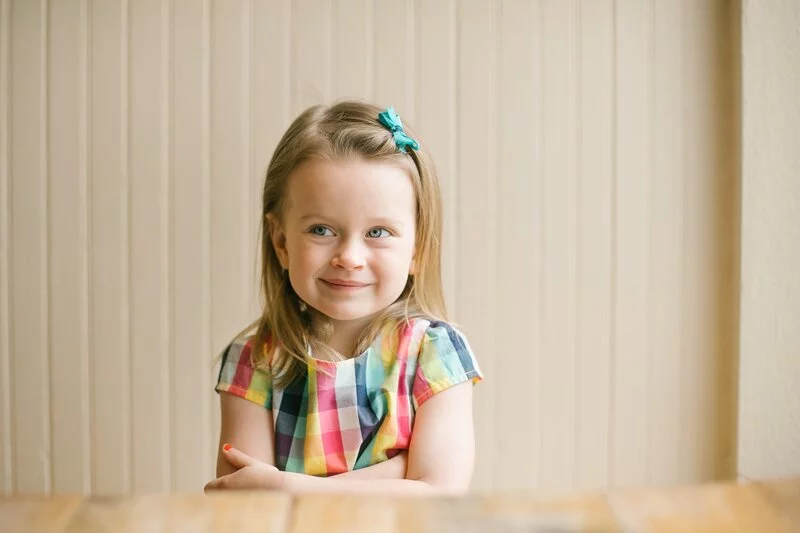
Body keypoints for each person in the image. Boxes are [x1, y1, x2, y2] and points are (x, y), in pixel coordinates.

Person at [203, 101, 483, 495]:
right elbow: (248, 499)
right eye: (321, 229)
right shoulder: (256, 360)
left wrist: (290, 487)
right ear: (281, 242)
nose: (349, 258)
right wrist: (397, 472)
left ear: (417, 248)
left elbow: (438, 494)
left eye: (378, 232)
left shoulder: (435, 354)